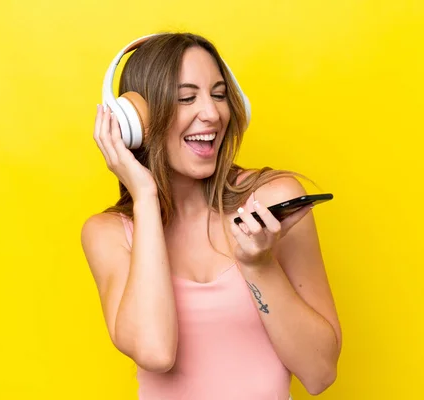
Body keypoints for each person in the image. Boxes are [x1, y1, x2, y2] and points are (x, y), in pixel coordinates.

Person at [81, 32, 342, 400]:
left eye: (219, 95)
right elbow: (156, 352)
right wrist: (144, 196)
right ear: (135, 123)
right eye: (187, 98)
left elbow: (320, 372)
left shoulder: (273, 200)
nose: (212, 113)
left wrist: (259, 265)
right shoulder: (109, 233)